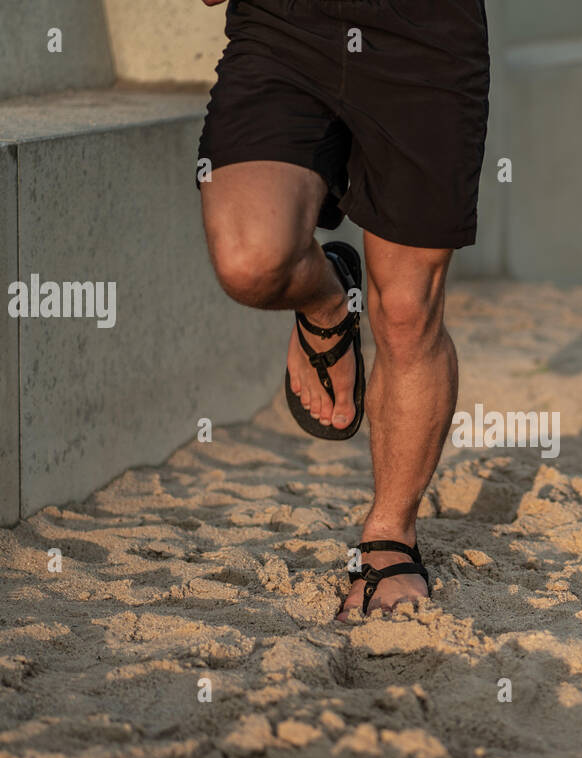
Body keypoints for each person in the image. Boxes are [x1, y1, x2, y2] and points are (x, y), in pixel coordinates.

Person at [195, 0, 490, 619]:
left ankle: (389, 536)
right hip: (286, 24)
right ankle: (329, 303)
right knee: (252, 260)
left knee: (409, 310)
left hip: (426, 37)